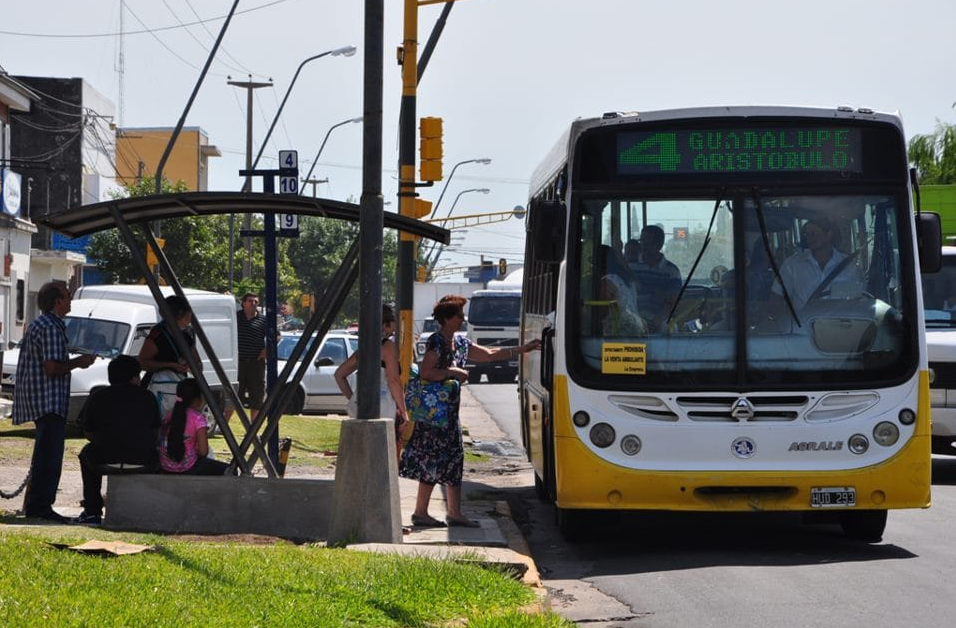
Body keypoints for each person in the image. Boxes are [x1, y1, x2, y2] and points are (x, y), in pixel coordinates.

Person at [399, 295, 541, 528]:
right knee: (435, 462)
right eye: (458, 316)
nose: (462, 320)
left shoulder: (461, 343)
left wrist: (523, 349)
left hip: (449, 416)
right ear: (446, 319)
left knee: (452, 461)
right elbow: (426, 372)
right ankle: (425, 513)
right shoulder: (437, 341)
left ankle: (449, 513)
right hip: (435, 416)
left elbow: (489, 354)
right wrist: (453, 372)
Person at [12, 282, 97, 522]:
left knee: (45, 454)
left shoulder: (45, 324)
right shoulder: (49, 327)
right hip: (47, 399)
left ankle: (38, 504)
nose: (70, 300)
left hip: (43, 398)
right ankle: (41, 506)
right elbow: (51, 368)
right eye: (67, 296)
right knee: (49, 457)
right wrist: (78, 362)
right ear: (57, 302)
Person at [75, 355, 161, 525]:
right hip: (144, 462)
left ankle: (92, 511)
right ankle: (150, 508)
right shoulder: (148, 397)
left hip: (104, 460)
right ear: (135, 377)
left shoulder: (98, 396)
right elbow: (155, 433)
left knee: (86, 453)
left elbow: (89, 433)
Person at [333, 304, 408, 463]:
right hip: (385, 409)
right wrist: (403, 411)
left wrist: (353, 397)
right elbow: (394, 381)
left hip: (361, 407)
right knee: (384, 457)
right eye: (392, 320)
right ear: (385, 324)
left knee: (363, 456)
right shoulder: (387, 346)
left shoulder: (363, 348)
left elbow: (339, 374)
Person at [772, 217, 863, 311]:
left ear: (829, 234)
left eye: (814, 233)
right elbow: (777, 298)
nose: (810, 237)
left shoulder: (850, 267)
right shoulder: (792, 265)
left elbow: (857, 302)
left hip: (839, 324)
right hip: (803, 325)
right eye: (806, 234)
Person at [138, 295, 201, 417]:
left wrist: (189, 366)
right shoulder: (158, 334)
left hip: (179, 390)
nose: (190, 316)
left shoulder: (187, 335)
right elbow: (142, 362)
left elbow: (198, 365)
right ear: (180, 313)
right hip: (157, 391)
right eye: (189, 311)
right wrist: (170, 365)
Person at [158, 378, 230, 475]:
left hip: (165, 467)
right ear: (198, 398)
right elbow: (203, 452)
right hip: (189, 468)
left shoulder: (168, 416)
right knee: (230, 470)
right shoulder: (198, 419)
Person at [225, 293, 278, 424]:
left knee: (257, 395)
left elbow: (276, 336)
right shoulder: (235, 317)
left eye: (256, 302)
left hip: (256, 363)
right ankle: (223, 424)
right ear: (243, 303)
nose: (253, 304)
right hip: (238, 363)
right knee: (234, 394)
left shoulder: (263, 320)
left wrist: (267, 349)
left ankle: (253, 427)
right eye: (250, 301)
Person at [630, 225, 682, 331]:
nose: (643, 246)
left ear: (659, 245)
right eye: (641, 242)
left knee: (669, 328)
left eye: (647, 242)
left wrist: (656, 322)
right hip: (633, 316)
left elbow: (671, 302)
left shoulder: (672, 271)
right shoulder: (630, 267)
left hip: (660, 318)